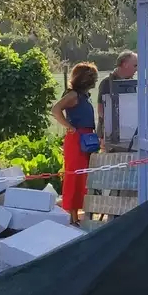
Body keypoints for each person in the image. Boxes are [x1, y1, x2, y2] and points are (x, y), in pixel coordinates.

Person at [50, 62, 100, 225]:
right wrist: (68, 126)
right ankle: (72, 216)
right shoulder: (73, 95)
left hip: (88, 138)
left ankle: (77, 214)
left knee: (84, 177)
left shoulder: (84, 96)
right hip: (77, 138)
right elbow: (55, 109)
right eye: (92, 76)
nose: (95, 79)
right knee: (74, 176)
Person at [96, 50, 138, 133]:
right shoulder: (107, 82)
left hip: (129, 129)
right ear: (125, 64)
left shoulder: (131, 82)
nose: (137, 69)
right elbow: (101, 110)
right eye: (135, 65)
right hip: (110, 132)